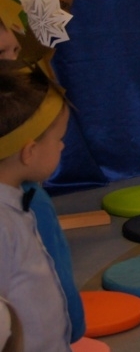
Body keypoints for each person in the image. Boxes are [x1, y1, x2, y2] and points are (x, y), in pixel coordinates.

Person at [0, 64, 74, 351]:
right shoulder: (3, 224)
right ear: (29, 152)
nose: (62, 147)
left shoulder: (16, 202)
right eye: (59, 140)